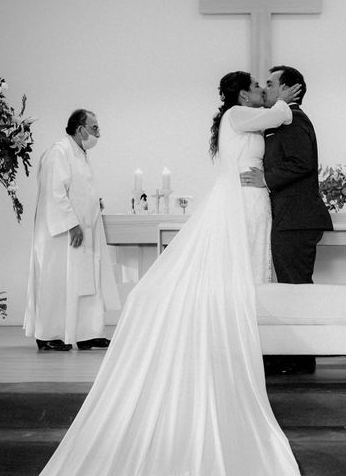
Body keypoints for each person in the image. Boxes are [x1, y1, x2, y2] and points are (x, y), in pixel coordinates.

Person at [39, 72, 303, 476]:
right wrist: (282, 99)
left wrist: (274, 104)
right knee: (240, 266)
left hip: (252, 197)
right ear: (240, 92)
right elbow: (280, 116)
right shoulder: (236, 114)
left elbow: (273, 119)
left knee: (252, 266)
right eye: (255, 86)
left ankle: (246, 336)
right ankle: (235, 335)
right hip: (242, 200)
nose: (259, 92)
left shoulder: (241, 116)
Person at [241, 65, 333, 375]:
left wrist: (264, 178)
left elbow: (301, 163)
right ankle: (291, 352)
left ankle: (302, 357)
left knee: (295, 288)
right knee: (290, 286)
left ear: (287, 89)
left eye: (270, 83)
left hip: (297, 217)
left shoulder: (294, 120)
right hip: (290, 217)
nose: (265, 88)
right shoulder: (283, 119)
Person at [23, 109, 119, 352]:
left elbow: (79, 190)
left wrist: (93, 204)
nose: (98, 133)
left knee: (86, 281)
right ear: (80, 128)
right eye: (94, 128)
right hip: (63, 235)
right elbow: (54, 193)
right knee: (57, 280)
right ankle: (49, 334)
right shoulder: (59, 152)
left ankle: (87, 332)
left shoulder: (79, 153)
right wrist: (72, 225)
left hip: (83, 231)